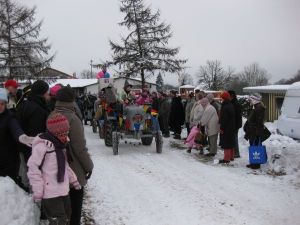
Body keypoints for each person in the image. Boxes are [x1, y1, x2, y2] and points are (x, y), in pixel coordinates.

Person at [27, 112, 81, 225]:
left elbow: (64, 166)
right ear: (53, 133)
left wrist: (74, 180)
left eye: (66, 133)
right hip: (50, 194)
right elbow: (33, 168)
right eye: (62, 134)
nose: (65, 137)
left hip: (63, 190)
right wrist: (38, 191)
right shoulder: (42, 146)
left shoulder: (60, 145)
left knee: (67, 216)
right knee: (59, 220)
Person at [54, 86, 94, 225]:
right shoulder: (72, 118)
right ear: (72, 99)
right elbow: (79, 148)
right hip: (73, 168)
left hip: (55, 168)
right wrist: (89, 166)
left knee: (61, 210)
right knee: (74, 210)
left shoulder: (52, 114)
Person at [0, 88, 34, 190]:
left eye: (2, 103)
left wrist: (21, 136)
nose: (0, 106)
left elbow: (15, 128)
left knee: (8, 189)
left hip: (8, 160)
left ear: (6, 104)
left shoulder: (10, 117)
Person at [16, 80, 51, 161]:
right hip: (34, 152)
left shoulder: (24, 104)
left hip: (24, 147)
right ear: (42, 92)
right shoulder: (38, 109)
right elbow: (37, 134)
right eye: (47, 91)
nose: (48, 94)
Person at [243, 93, 268, 169]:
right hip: (253, 131)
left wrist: (256, 132)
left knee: (255, 148)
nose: (250, 101)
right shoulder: (256, 107)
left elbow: (259, 122)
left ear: (255, 100)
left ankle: (256, 164)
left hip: (255, 132)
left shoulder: (259, 108)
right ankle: (253, 162)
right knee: (253, 146)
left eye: (251, 100)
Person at [219, 91, 236, 164]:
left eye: (222, 98)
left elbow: (224, 119)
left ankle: (226, 159)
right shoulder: (230, 105)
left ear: (224, 98)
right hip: (231, 127)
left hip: (226, 128)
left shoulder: (225, 107)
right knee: (231, 142)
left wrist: (222, 128)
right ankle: (231, 157)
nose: (221, 99)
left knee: (226, 143)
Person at [228, 90, 242, 158]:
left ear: (232, 96)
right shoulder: (233, 102)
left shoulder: (236, 104)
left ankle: (236, 153)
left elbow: (237, 116)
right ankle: (234, 152)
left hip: (236, 124)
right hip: (234, 124)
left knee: (234, 138)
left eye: (228, 95)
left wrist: (236, 125)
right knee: (233, 138)